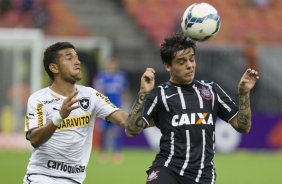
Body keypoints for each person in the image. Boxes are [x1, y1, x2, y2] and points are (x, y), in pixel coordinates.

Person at [125, 33, 259, 184]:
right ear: (168, 66)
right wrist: (143, 93)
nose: (189, 65)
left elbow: (243, 126)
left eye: (192, 59)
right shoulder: (159, 94)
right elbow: (131, 130)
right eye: (181, 62)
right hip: (168, 169)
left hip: (203, 175)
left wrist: (244, 94)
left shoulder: (211, 90)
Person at [23, 42, 128, 184]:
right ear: (54, 67)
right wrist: (59, 117)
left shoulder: (90, 95)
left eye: (76, 57)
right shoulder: (39, 99)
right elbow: (34, 139)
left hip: (74, 180)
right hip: (42, 177)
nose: (77, 61)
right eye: (69, 58)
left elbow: (125, 121)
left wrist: (143, 98)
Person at [93, 58, 128, 164]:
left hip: (117, 109)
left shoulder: (121, 76)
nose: (112, 66)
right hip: (104, 108)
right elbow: (97, 92)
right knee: (103, 131)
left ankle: (117, 153)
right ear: (107, 65)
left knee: (117, 132)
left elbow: (125, 91)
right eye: (110, 64)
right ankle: (103, 153)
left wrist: (125, 104)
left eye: (113, 64)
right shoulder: (101, 77)